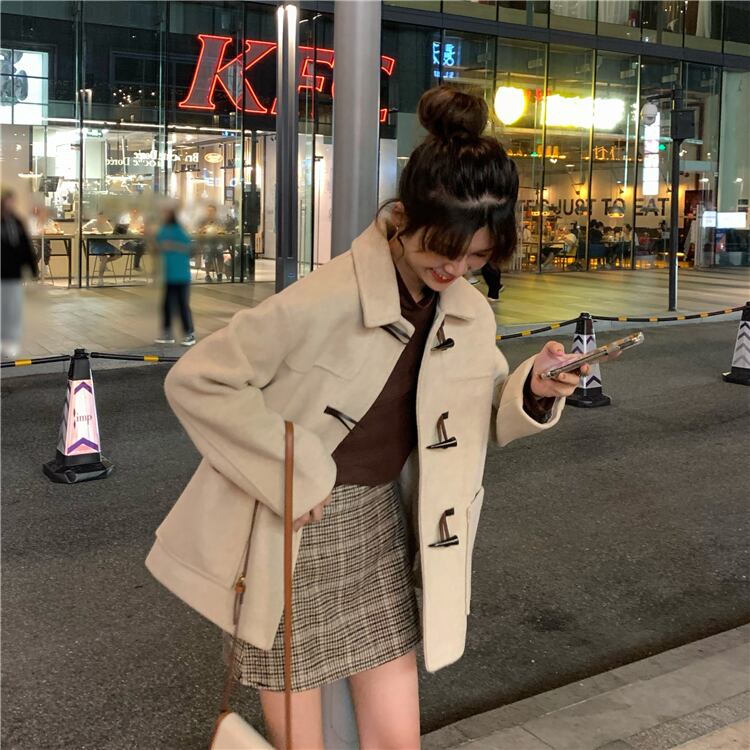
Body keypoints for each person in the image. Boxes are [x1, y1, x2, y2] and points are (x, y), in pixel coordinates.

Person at [145, 86, 587, 750]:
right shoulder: (324, 298)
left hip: (380, 525)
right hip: (291, 530)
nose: (454, 269)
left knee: (398, 738)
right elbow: (200, 378)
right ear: (404, 219)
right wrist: (293, 469)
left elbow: (478, 409)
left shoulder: (468, 312)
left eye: (475, 259)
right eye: (442, 250)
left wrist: (536, 385)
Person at [1, 188, 38, 358]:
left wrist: (32, 268)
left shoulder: (16, 222)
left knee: (13, 309)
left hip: (14, 274)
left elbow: (25, 246)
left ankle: (10, 341)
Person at [154, 206, 195, 347]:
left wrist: (172, 246)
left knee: (182, 305)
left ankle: (189, 333)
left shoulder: (179, 231)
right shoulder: (163, 231)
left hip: (181, 275)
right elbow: (157, 246)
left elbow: (189, 249)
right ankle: (167, 333)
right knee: (166, 305)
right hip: (169, 275)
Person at [82, 211, 121, 285]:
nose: (104, 219)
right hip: (95, 245)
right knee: (104, 258)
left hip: (105, 243)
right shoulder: (92, 223)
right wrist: (91, 233)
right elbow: (80, 230)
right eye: (102, 217)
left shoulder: (107, 223)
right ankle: (100, 279)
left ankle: (104, 262)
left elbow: (112, 232)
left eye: (105, 218)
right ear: (98, 217)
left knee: (118, 254)